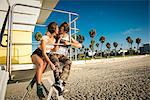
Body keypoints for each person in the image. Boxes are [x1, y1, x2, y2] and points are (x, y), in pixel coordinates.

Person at [49, 22, 82, 95]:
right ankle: (60, 86)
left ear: (66, 31)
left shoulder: (68, 37)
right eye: (60, 29)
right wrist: (58, 39)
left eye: (62, 30)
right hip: (54, 54)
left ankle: (60, 83)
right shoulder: (56, 35)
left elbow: (80, 45)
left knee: (69, 62)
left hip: (63, 56)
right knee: (56, 63)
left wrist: (70, 43)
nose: (60, 31)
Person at [31, 22, 58, 98]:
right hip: (37, 54)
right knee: (40, 64)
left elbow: (53, 50)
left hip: (45, 56)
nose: (58, 30)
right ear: (54, 29)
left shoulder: (54, 40)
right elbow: (43, 52)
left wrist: (58, 40)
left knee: (42, 67)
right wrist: (51, 63)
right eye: (57, 28)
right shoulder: (44, 38)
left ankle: (34, 81)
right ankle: (39, 88)